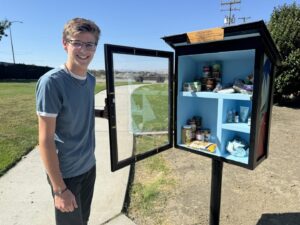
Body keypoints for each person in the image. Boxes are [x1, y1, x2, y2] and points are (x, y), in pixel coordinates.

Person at [35, 18, 103, 225]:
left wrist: (103, 114)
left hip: (89, 166)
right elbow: (45, 140)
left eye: (89, 44)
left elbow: (78, 112)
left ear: (95, 47)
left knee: (84, 220)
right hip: (67, 175)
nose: (84, 50)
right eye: (77, 43)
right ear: (65, 44)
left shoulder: (90, 80)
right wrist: (59, 189)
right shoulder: (52, 83)